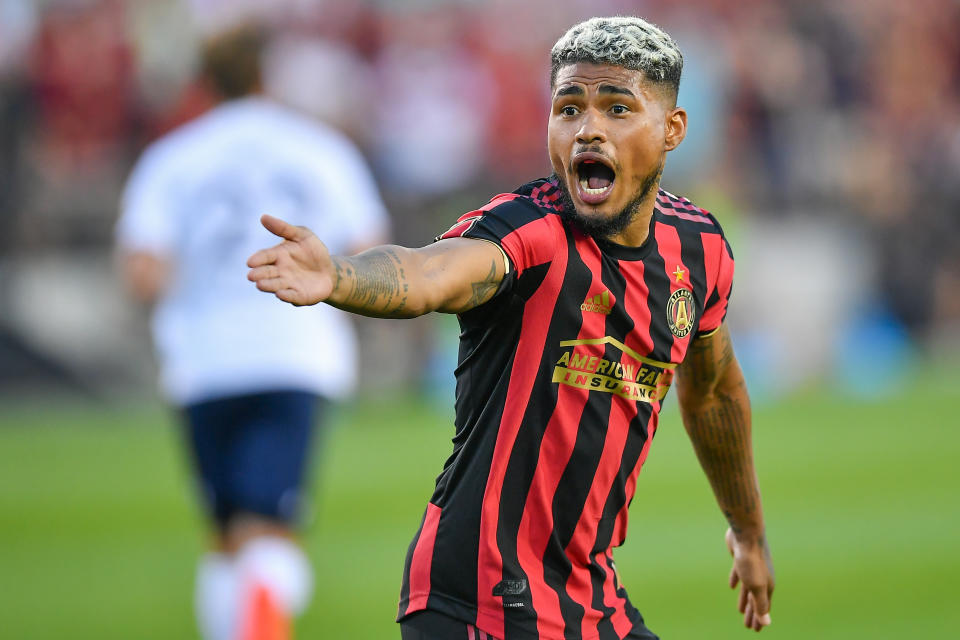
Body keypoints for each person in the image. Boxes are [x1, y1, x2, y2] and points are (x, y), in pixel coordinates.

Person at [247, 16, 774, 640]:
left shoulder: (701, 251)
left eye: (617, 108)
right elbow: (427, 274)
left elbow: (712, 393)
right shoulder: (531, 232)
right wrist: (337, 275)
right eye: (569, 108)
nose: (588, 130)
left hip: (588, 597)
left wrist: (747, 532)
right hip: (478, 601)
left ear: (672, 131)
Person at [115, 25, 389, 640]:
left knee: (226, 531)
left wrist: (205, 268)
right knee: (269, 530)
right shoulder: (319, 148)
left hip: (203, 361)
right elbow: (370, 251)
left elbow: (141, 271)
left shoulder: (172, 156)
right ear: (267, 76)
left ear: (204, 83)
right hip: (296, 354)